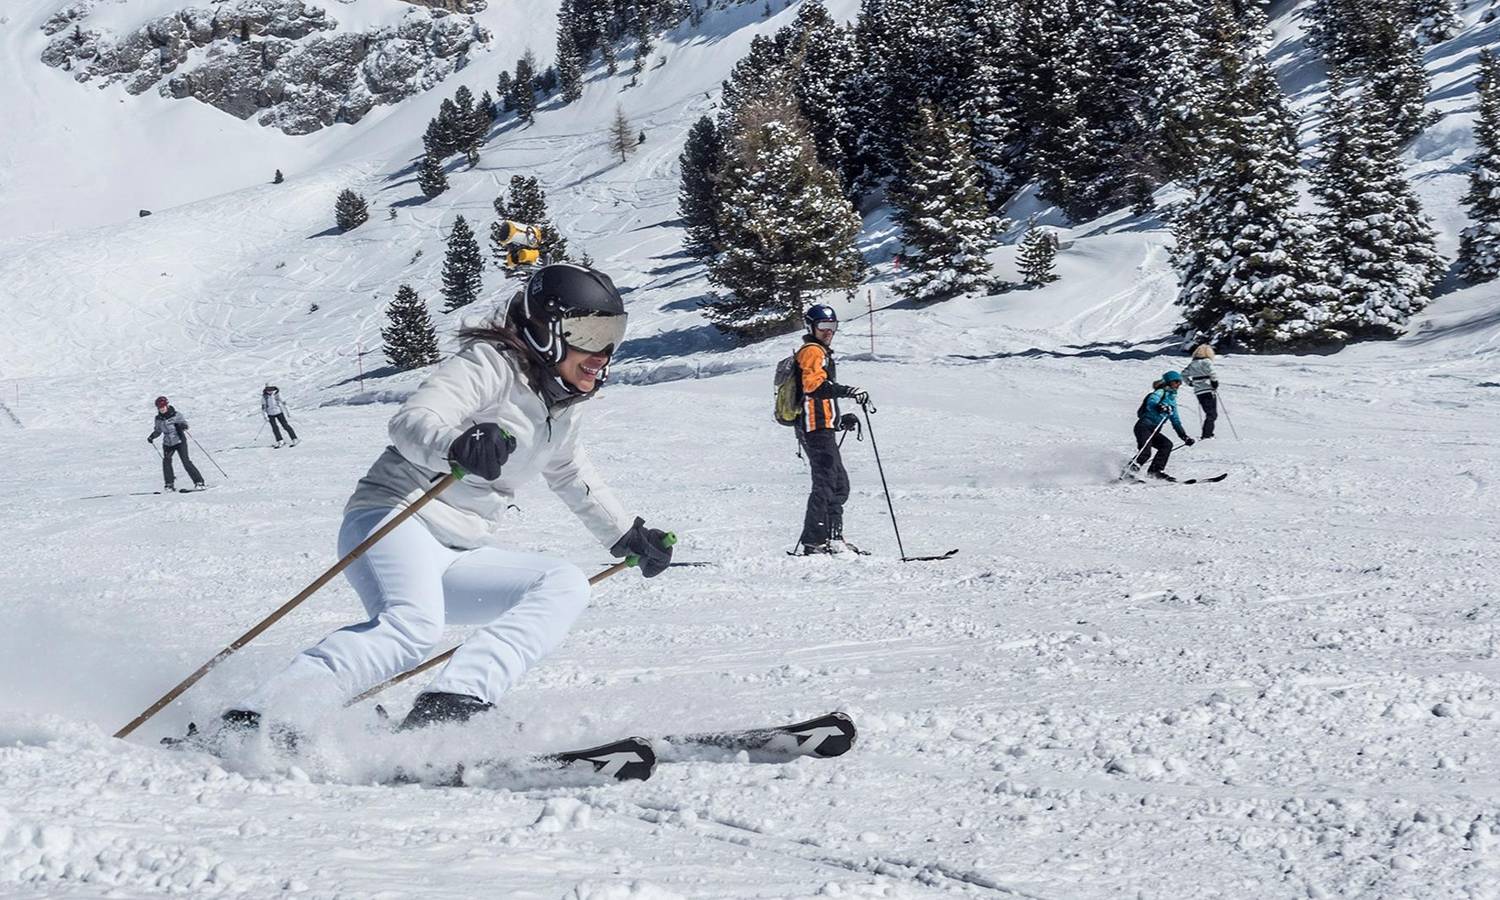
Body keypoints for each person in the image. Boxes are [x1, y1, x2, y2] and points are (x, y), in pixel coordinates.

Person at [227, 264, 673, 733]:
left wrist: (625, 534)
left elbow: (570, 471)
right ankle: (259, 717)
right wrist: (455, 446)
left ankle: (455, 702)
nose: (602, 352)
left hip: (460, 546)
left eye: (612, 334)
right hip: (397, 516)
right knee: (412, 628)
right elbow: (411, 420)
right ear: (546, 331)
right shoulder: (490, 365)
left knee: (562, 583)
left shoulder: (559, 405)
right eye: (588, 332)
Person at [794, 305, 868, 556]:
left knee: (837, 484)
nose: (828, 332)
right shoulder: (812, 351)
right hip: (814, 428)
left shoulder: (820, 352)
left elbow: (820, 396)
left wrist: (838, 419)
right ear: (810, 327)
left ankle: (833, 539)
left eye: (832, 327)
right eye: (823, 327)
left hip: (822, 426)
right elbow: (813, 388)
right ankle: (815, 541)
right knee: (827, 484)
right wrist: (846, 390)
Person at [1128, 372, 1194, 481]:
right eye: (1176, 381)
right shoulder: (1161, 392)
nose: (1179, 384)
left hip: (1154, 429)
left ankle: (1155, 471)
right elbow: (1151, 401)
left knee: (1166, 445)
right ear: (1169, 382)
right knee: (1145, 452)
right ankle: (1128, 473)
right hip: (1144, 426)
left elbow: (1176, 421)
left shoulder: (1172, 400)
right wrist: (1160, 406)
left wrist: (1184, 436)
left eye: (1180, 382)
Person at [147, 396, 206, 491]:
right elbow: (158, 430)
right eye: (159, 407)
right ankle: (169, 484)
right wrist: (152, 436)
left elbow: (185, 424)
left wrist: (182, 426)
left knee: (186, 461)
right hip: (167, 443)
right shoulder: (158, 419)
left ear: (167, 405)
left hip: (179, 441)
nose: (162, 409)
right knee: (166, 462)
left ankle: (199, 482)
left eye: (163, 406)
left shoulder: (176, 415)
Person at [1181, 344, 1219, 440]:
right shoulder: (1207, 361)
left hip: (1198, 391)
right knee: (1212, 414)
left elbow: (1183, 374)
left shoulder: (1193, 363)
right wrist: (1214, 383)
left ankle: (1208, 433)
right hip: (1208, 389)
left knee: (1208, 412)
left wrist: (1189, 383)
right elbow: (1213, 373)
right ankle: (1207, 434)